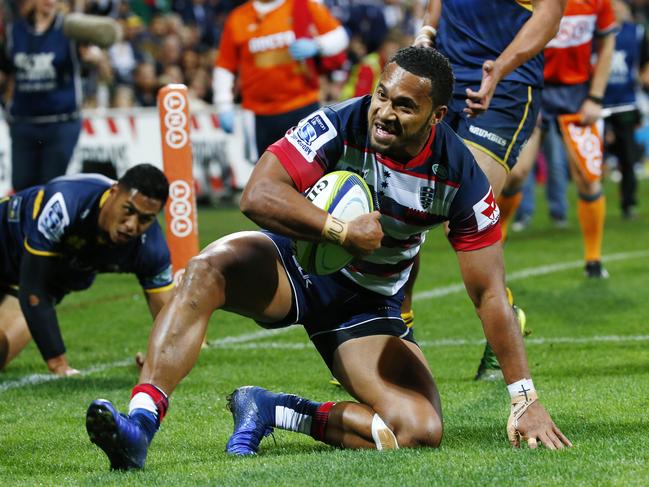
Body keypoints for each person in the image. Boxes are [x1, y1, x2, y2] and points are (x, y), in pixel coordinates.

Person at [85, 47, 571, 471]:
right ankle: (140, 426)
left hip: (364, 305)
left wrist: (523, 399)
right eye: (383, 95)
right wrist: (339, 229)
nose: (384, 112)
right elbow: (257, 194)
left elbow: (489, 293)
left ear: (436, 115)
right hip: (290, 264)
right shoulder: (341, 120)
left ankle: (274, 410)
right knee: (206, 269)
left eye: (405, 105)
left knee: (420, 429)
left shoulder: (462, 178)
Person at [410, 0, 566, 380]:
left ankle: (504, 321)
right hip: (444, 84)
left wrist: (500, 69)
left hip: (507, 87)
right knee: (401, 200)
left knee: (462, 212)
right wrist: (425, 35)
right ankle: (392, 331)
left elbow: (549, 17)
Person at [0, 164, 173, 376]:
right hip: (15, 259)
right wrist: (59, 364)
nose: (131, 225)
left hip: (21, 285)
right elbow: (33, 289)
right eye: (128, 210)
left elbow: (171, 316)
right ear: (114, 192)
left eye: (145, 219)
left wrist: (159, 358)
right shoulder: (66, 202)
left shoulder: (150, 248)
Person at [503, 0, 617, 279]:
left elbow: (607, 47)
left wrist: (595, 97)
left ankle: (593, 259)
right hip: (534, 89)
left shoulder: (597, 2)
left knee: (588, 178)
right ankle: (498, 236)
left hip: (578, 95)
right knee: (516, 173)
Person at [0, 0, 121, 191]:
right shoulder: (15, 30)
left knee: (50, 186)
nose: (50, 1)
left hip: (61, 122)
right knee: (22, 187)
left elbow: (104, 68)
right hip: (24, 122)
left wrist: (96, 59)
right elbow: (7, 72)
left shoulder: (71, 29)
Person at [212, 0, 348, 160]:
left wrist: (317, 45)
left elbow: (340, 37)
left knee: (310, 169)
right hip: (258, 114)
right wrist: (223, 105)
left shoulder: (302, 5)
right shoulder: (238, 18)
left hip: (302, 106)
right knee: (262, 173)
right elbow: (224, 67)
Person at [602, 0, 649, 219]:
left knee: (628, 157)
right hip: (597, 103)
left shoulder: (637, 33)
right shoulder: (596, 31)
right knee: (595, 158)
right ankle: (593, 200)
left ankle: (628, 203)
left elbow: (645, 64)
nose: (615, 10)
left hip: (626, 102)